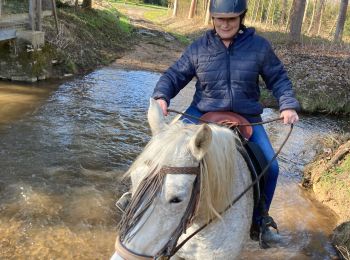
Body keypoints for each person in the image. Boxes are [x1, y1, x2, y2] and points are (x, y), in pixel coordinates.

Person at [151, 0, 299, 246]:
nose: (225, 24)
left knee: (271, 169)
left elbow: (279, 78)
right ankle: (142, 201)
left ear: (242, 17)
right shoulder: (199, 47)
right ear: (213, 19)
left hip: (247, 116)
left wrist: (288, 104)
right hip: (201, 111)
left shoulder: (259, 47)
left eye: (231, 19)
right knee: (163, 149)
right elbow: (175, 74)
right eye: (220, 18)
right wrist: (161, 96)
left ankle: (259, 222)